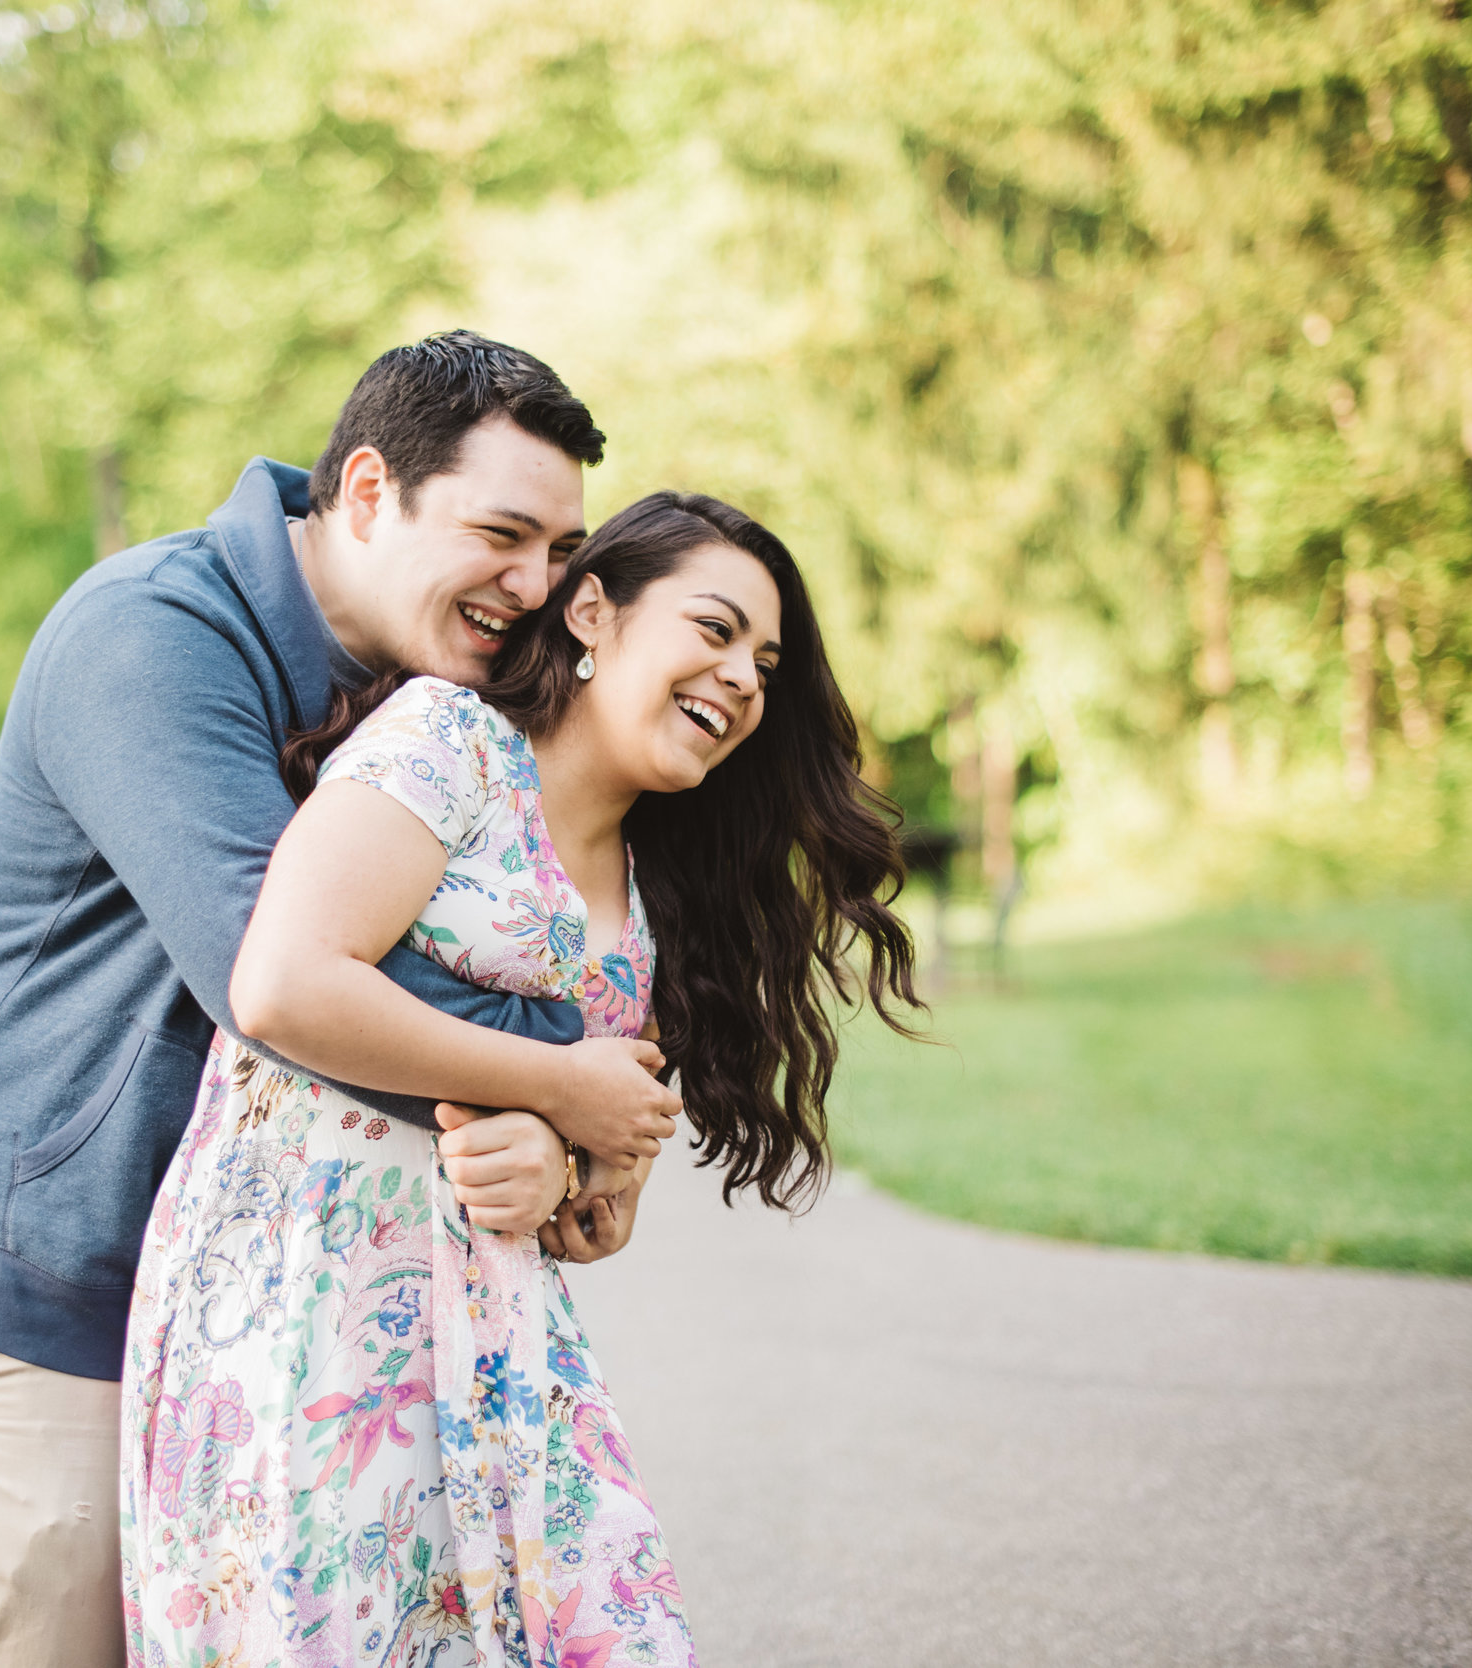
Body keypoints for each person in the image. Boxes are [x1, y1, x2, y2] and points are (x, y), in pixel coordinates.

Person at [0, 332, 682, 1667]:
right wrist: (568, 1082)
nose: (535, 586)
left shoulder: (428, 693)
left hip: (260, 1310)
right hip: (56, 1274)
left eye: (558, 550)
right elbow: (282, 977)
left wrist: (583, 1119)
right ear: (368, 490)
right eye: (503, 534)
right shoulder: (150, 636)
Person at [120, 492, 925, 1666]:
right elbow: (284, 983)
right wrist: (556, 1092)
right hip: (306, 1317)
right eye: (712, 630)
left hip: (501, 1353)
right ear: (591, 614)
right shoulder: (448, 745)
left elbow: (596, 1176)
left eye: (764, 661)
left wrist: (578, 1184)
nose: (744, 678)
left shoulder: (654, 885)